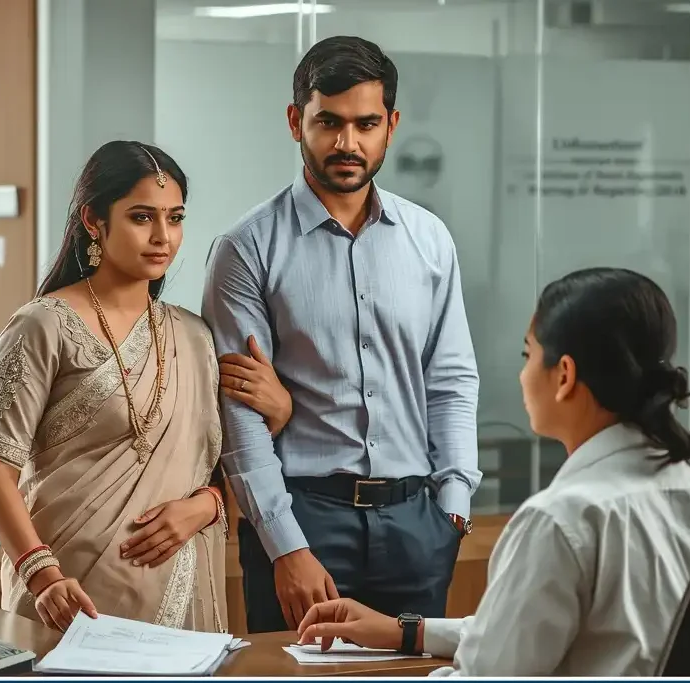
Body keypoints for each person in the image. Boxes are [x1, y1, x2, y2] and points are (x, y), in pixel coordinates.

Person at [296, 267, 690, 677]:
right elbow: (600, 637)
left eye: (528, 355)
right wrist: (408, 631)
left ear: (564, 375)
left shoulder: (561, 521)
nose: (524, 374)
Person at [203, 35, 482, 634]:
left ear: (392, 124)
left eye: (366, 123)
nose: (347, 143)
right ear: (295, 120)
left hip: (417, 521)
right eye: (328, 122)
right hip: (304, 517)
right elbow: (239, 412)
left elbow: (451, 379)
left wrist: (452, 507)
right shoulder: (246, 248)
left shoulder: (430, 240)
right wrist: (284, 545)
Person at [0, 141, 292, 633]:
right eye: (142, 217)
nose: (163, 236)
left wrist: (206, 504)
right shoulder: (43, 326)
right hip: (69, 595)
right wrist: (43, 576)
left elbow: (229, 459)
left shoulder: (194, 335)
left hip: (181, 591)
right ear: (94, 222)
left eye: (176, 217)